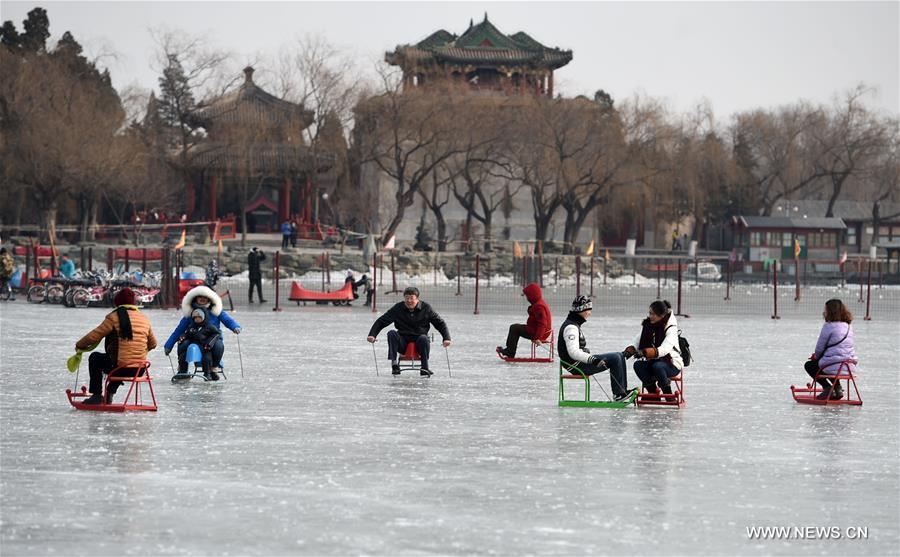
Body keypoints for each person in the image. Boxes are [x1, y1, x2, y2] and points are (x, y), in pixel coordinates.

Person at [74, 288, 157, 404]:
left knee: (95, 358)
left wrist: (79, 344)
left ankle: (96, 395)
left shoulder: (114, 317)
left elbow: (95, 336)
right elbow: (153, 344)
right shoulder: (144, 318)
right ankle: (110, 391)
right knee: (121, 360)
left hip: (121, 368)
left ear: (117, 302)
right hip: (140, 369)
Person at [558, 295, 634, 401]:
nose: (590, 313)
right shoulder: (571, 328)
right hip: (577, 367)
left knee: (619, 355)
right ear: (582, 310)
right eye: (589, 309)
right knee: (616, 358)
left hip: (579, 363)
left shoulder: (573, 324)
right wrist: (593, 360)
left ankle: (622, 392)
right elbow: (573, 352)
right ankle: (618, 394)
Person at [367, 286, 451, 376]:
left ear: (417, 299)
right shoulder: (398, 308)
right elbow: (382, 321)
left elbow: (440, 323)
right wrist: (372, 335)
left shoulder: (426, 308)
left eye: (412, 298)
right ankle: (394, 364)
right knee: (391, 333)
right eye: (407, 298)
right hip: (403, 341)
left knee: (424, 338)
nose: (409, 301)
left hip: (420, 341)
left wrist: (446, 338)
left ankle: (425, 367)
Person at [163, 286, 241, 376]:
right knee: (183, 343)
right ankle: (183, 369)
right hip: (195, 338)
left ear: (209, 299)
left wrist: (235, 327)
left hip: (212, 338)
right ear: (195, 298)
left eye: (205, 297)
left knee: (218, 346)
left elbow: (228, 320)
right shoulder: (191, 312)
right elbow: (179, 329)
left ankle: (214, 367)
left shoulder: (215, 310)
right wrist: (169, 345)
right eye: (200, 297)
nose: (202, 299)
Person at [624, 300, 683, 397]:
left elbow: (665, 349)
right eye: (649, 313)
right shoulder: (648, 325)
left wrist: (645, 352)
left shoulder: (671, 328)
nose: (650, 316)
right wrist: (629, 350)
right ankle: (652, 392)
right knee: (638, 365)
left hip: (672, 364)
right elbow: (637, 341)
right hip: (654, 362)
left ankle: (668, 395)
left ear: (661, 315)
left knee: (658, 366)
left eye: (653, 314)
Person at [806, 298, 857, 400]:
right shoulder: (848, 326)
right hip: (849, 366)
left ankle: (827, 388)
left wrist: (815, 357)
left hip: (834, 364)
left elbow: (819, 348)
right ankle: (837, 388)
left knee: (810, 365)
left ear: (829, 311)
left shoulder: (828, 326)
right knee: (832, 363)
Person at [497, 282, 552, 358]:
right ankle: (510, 351)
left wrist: (537, 338)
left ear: (532, 295)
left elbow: (542, 324)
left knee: (514, 328)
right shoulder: (539, 303)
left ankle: (510, 352)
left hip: (539, 332)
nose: (527, 298)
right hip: (537, 330)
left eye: (527, 296)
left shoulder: (539, 307)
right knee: (515, 327)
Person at [182, 308, 222, 379]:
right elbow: (187, 334)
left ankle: (208, 373)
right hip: (196, 345)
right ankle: (182, 370)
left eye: (199, 317)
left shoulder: (209, 326)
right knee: (184, 352)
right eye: (195, 318)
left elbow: (216, 334)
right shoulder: (192, 327)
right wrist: (182, 337)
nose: (197, 319)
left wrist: (209, 344)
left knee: (207, 358)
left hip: (205, 346)